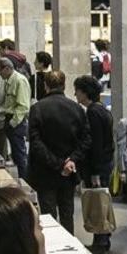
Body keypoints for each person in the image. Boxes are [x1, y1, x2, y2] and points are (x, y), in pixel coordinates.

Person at [28, 70, 90, 234]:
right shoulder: (77, 109)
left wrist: (57, 164)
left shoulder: (37, 109)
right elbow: (86, 139)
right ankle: (70, 251)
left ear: (45, 86)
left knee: (48, 217)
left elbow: (35, 143)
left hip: (45, 171)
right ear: (64, 85)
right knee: (67, 213)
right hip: (69, 172)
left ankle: (53, 250)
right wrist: (70, 161)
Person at [74, 74, 113, 254]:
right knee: (102, 201)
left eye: (78, 91)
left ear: (85, 93)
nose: (75, 95)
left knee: (98, 203)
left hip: (97, 166)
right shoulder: (102, 109)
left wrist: (95, 172)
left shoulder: (93, 113)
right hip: (104, 163)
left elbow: (96, 144)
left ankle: (100, 241)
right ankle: (104, 238)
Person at [0, 57, 31, 179]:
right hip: (9, 119)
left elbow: (23, 106)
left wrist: (13, 123)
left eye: (0, 71)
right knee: (16, 155)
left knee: (20, 155)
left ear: (7, 68)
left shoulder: (19, 81)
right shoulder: (8, 80)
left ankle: (25, 181)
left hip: (17, 122)